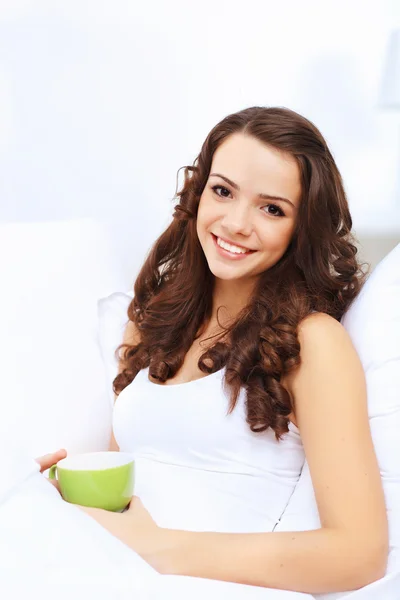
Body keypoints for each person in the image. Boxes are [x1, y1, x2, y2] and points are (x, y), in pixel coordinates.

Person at [36, 106, 388, 598]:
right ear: (197, 194)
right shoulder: (156, 324)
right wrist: (68, 493)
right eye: (222, 191)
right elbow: (136, 485)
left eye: (272, 209)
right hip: (112, 573)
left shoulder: (312, 340)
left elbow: (358, 553)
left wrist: (158, 548)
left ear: (301, 228)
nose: (237, 223)